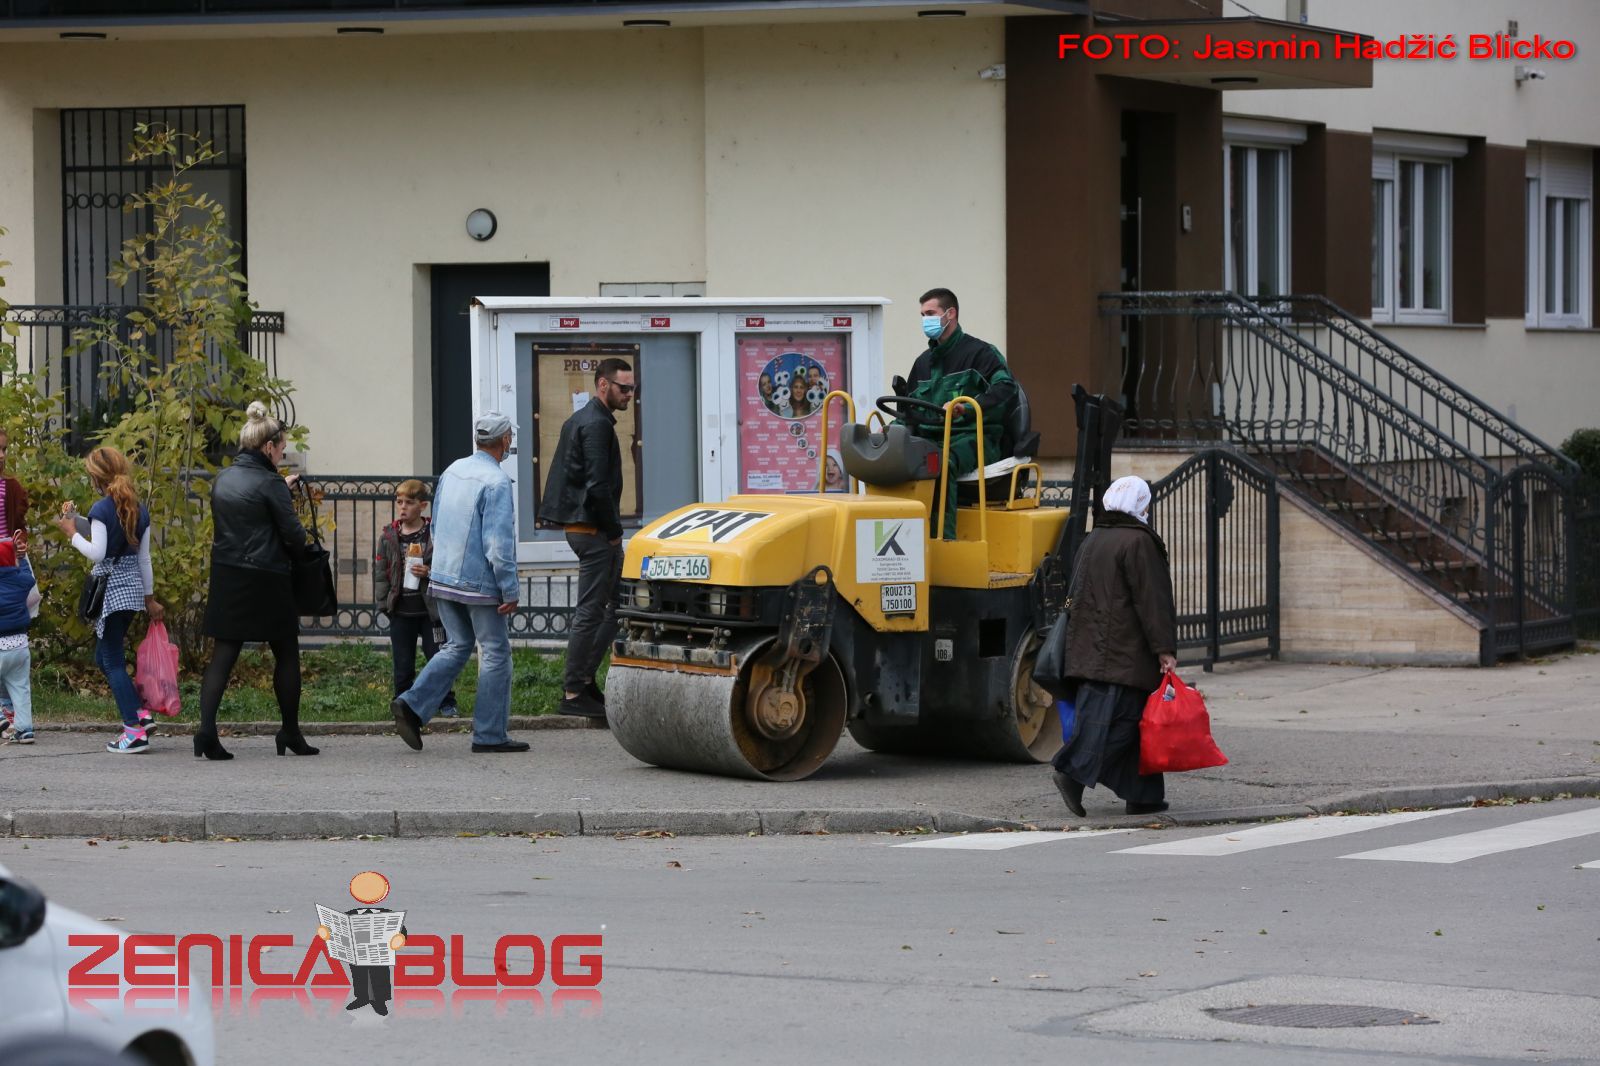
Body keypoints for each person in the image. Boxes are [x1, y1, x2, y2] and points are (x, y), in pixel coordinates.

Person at [390, 412, 526, 754]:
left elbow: (436, 526)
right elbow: (498, 545)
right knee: (495, 652)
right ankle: (490, 734)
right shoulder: (496, 482)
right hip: (478, 583)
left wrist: (438, 569)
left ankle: (411, 704)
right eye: (510, 437)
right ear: (504, 440)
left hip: (443, 575)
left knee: (457, 645)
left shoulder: (452, 470)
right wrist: (509, 589)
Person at [1049, 476, 1178, 818]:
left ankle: (1143, 796)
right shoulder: (1139, 542)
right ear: (1140, 504)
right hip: (1123, 655)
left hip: (1091, 650)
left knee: (1130, 729)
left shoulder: (1094, 538)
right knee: (1125, 725)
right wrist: (1164, 648)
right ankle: (1072, 773)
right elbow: (1153, 601)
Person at [195, 402, 318, 761]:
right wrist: (283, 495)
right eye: (281, 448)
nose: (282, 454)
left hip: (227, 574)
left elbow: (244, 516)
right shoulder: (270, 483)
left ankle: (206, 731)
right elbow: (293, 536)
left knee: (223, 654)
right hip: (267, 577)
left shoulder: (223, 479)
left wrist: (279, 489)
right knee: (286, 652)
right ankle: (290, 732)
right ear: (268, 447)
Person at [540, 358, 634, 720]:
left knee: (617, 604)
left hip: (588, 527)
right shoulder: (595, 424)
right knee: (593, 610)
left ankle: (583, 682)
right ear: (603, 385)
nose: (629, 394)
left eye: (632, 388)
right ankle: (574, 690)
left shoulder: (585, 419)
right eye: (623, 388)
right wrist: (614, 533)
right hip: (593, 531)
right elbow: (597, 485)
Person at [57, 447, 163, 755]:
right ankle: (141, 713)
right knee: (103, 658)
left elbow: (98, 552)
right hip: (132, 593)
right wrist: (149, 599)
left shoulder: (102, 508)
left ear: (96, 478)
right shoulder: (137, 508)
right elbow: (144, 559)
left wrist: (71, 533)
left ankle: (133, 731)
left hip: (112, 593)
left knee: (112, 660)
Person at [899, 288, 1018, 539]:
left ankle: (941, 540)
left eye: (930, 313)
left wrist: (967, 408)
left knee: (940, 462)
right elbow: (909, 409)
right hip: (932, 439)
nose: (925, 320)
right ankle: (903, 538)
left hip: (976, 437)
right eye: (922, 315)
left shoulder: (980, 354)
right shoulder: (922, 363)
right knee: (895, 458)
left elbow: (1006, 389)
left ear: (950, 314)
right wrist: (891, 430)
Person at [373, 480, 457, 718]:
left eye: (409, 503)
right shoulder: (389, 536)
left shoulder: (434, 534)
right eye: (399, 502)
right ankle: (402, 703)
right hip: (401, 611)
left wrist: (430, 572)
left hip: (431, 611)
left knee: (438, 657)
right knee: (403, 663)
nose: (403, 507)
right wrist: (384, 604)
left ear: (422, 506)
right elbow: (381, 572)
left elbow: (449, 564)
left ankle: (446, 701)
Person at [0, 427, 29, 735]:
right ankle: (6, 707)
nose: (1, 455)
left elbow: (19, 527)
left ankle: (7, 708)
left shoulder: (11, 487)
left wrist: (20, 545)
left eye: (4, 448)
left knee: (9, 636)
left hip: (8, 565)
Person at [0, 538, 41, 746]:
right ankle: (25, 730)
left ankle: (1, 718)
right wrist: (22, 558)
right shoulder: (21, 580)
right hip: (19, 645)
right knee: (21, 688)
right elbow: (30, 579)